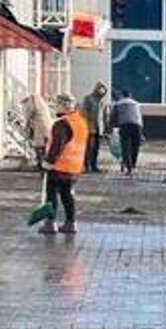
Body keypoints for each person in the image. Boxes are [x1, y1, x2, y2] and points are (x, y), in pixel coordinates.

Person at [40, 91, 90, 235]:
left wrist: (48, 162)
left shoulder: (62, 123)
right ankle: (71, 223)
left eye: (57, 104)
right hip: (74, 166)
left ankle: (50, 223)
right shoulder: (80, 122)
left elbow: (58, 145)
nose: (55, 107)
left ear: (63, 105)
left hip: (59, 166)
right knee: (67, 194)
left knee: (51, 195)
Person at [110, 86, 145, 177]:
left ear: (122, 95)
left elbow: (113, 117)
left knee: (125, 147)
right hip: (137, 126)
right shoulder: (136, 104)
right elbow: (139, 117)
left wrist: (110, 128)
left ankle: (128, 167)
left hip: (125, 126)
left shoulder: (118, 104)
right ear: (130, 95)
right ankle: (133, 165)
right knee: (135, 146)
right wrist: (141, 133)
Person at [78, 86, 108, 173]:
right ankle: (86, 166)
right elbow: (83, 113)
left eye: (103, 93)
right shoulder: (88, 99)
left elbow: (103, 115)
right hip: (89, 127)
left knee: (95, 148)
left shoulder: (101, 102)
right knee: (88, 148)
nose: (102, 95)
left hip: (98, 127)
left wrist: (105, 128)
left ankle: (94, 165)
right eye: (100, 92)